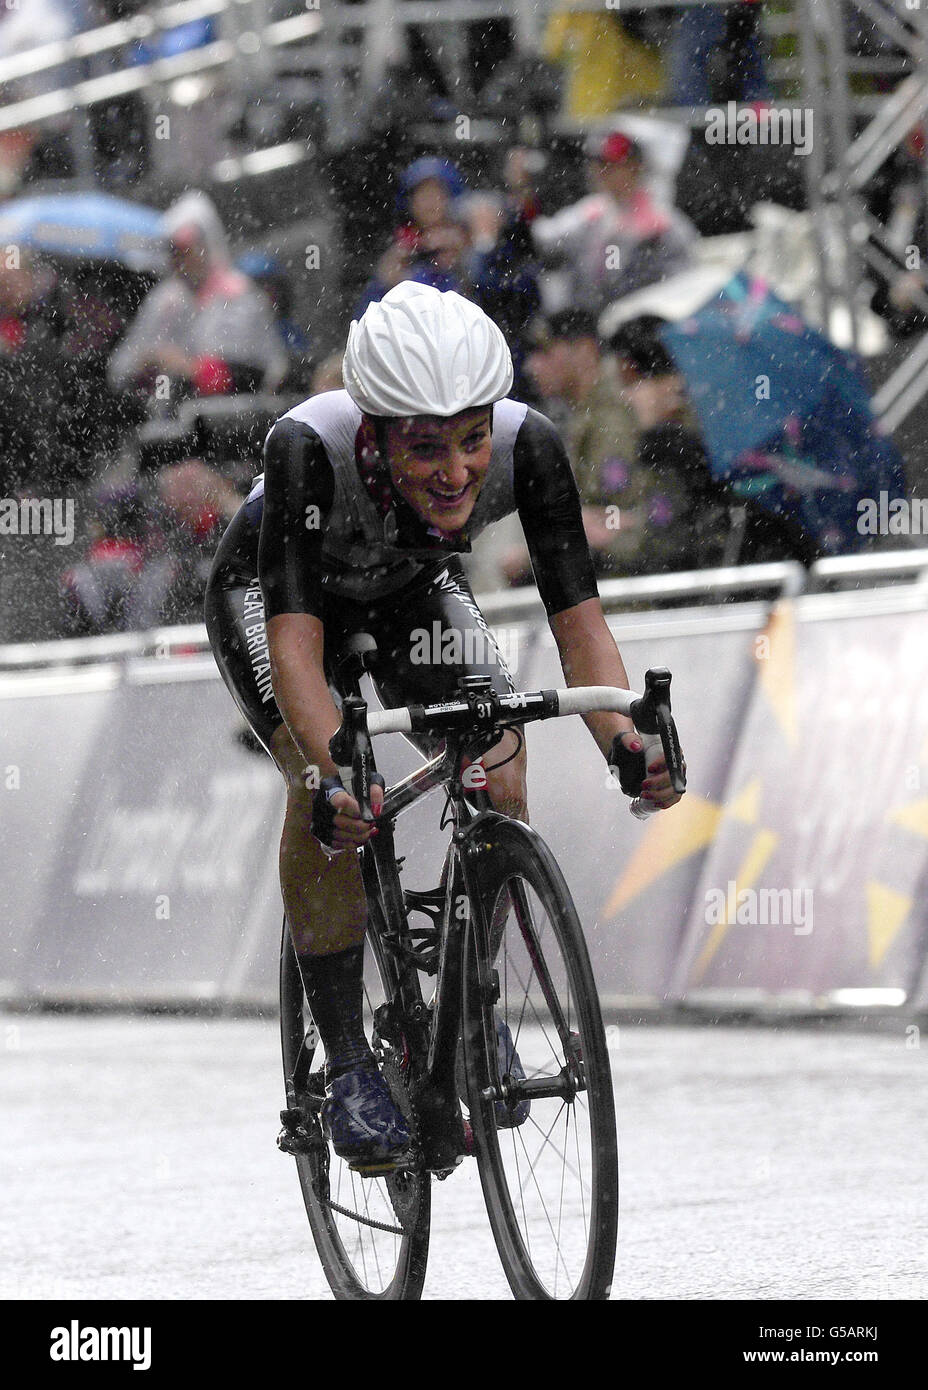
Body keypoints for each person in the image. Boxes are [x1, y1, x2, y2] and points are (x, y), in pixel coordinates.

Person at [204, 282, 683, 1167]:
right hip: (279, 597)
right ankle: (346, 1060)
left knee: (500, 763)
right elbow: (300, 657)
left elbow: (581, 627)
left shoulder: (529, 445)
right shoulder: (309, 446)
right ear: (375, 431)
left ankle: (470, 1007)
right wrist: (335, 772)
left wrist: (626, 741)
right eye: (426, 447)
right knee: (324, 788)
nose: (458, 472)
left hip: (409, 591)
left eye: (471, 441)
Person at [107, 191, 287, 405]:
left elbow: (253, 373)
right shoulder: (164, 301)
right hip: (172, 422)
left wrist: (189, 368)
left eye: (185, 251)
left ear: (207, 246)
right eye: (172, 252)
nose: (177, 261)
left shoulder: (241, 297)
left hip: (232, 422)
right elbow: (119, 370)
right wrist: (146, 359)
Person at [531, 131, 698, 315]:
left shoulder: (664, 225)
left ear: (636, 167)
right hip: (587, 327)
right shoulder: (590, 213)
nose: (602, 173)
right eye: (599, 165)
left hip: (638, 328)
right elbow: (543, 240)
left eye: (612, 166)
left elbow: (682, 287)